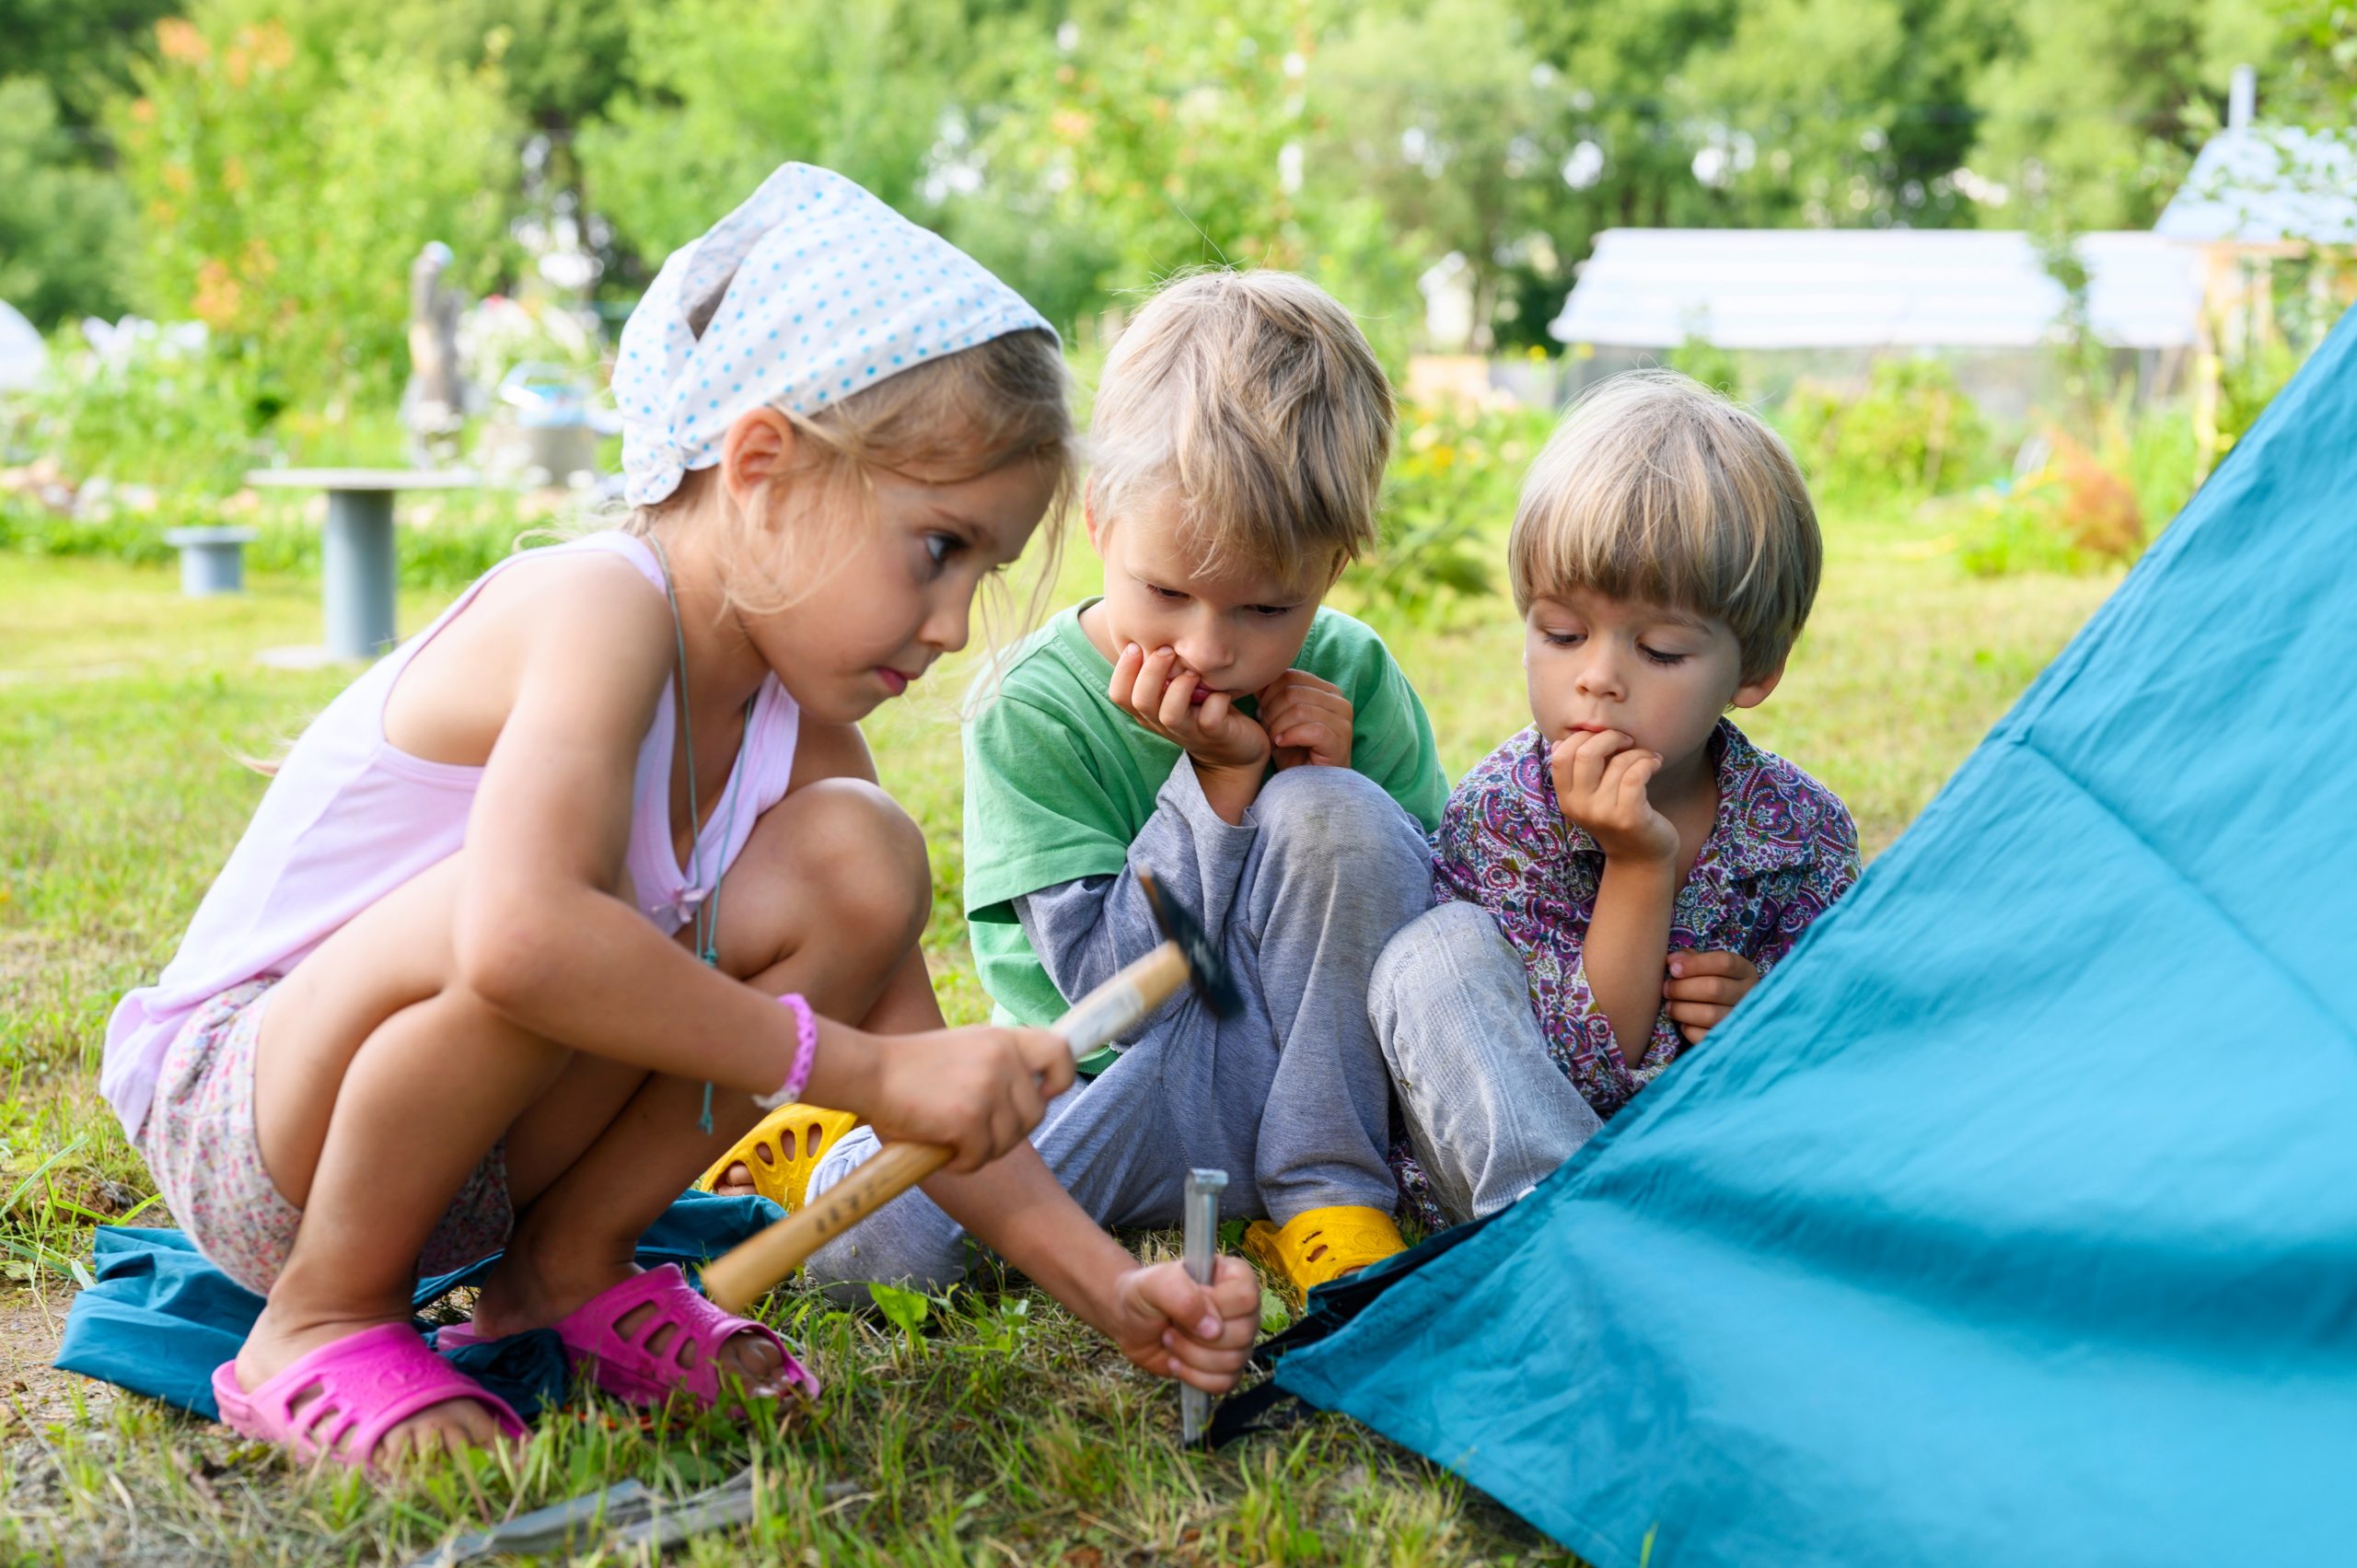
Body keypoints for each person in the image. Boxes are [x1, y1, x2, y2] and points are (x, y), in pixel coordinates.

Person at [99, 164, 1257, 1471]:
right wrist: (865, 1074)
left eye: (983, 571)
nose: (949, 624)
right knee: (544, 910)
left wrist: (1113, 1289)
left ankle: (560, 1272)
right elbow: (522, 942)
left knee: (861, 863)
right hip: (259, 1119)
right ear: (761, 462)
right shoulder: (600, 604)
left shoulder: (795, 718)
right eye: (938, 547)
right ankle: (316, 1320)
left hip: (470, 1158)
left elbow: (910, 1054)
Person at [792, 269, 1448, 1305]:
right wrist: (1220, 782)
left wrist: (1343, 791)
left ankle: (1324, 1190)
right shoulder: (1035, 710)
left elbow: (1433, 943)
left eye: (1266, 607)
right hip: (1132, 1088)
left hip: (1331, 1090)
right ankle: (827, 1141)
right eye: (1168, 591)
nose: (1209, 645)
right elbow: (1108, 998)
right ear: (1100, 519)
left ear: (1334, 568)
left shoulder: (1351, 678)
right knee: (873, 1251)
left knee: (1338, 815)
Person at [1370, 369, 1862, 1229]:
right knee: (1432, 952)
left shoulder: (1802, 837)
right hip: (1507, 1177)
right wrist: (1639, 863)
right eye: (1560, 634)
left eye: (1662, 649)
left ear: (1754, 672)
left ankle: (1655, 1239)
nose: (1596, 677)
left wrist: (1766, 1026)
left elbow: (1844, 1054)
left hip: (1704, 1169)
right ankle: (1569, 1241)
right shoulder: (1504, 815)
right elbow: (1581, 1071)